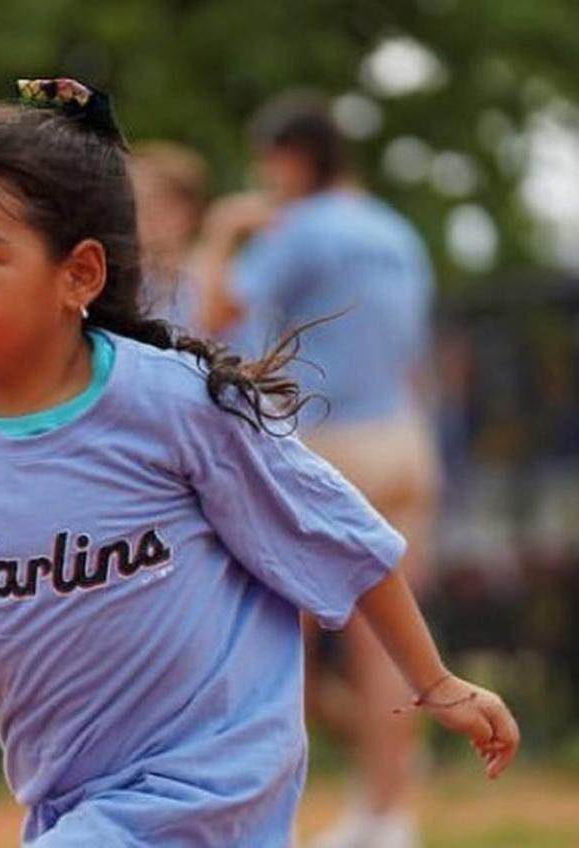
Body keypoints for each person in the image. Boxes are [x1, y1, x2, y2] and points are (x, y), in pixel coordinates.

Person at [0, 78, 517, 847]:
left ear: (79, 275)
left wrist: (437, 682)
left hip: (209, 790)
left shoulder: (177, 405)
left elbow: (346, 541)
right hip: (71, 807)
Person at [196, 92, 442, 847]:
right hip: (404, 440)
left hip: (330, 446)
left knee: (267, 637)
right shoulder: (395, 231)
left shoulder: (299, 229)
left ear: (291, 158)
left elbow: (215, 313)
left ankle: (264, 817)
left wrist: (221, 231)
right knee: (389, 645)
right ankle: (387, 814)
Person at [129, 140, 209, 329]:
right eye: (135, 201)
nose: (146, 213)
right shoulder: (136, 283)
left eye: (157, 201)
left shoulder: (212, 277)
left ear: (191, 210)